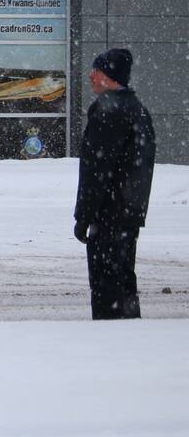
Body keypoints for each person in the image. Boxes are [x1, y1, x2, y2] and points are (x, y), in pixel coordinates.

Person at [74, 48, 156, 320]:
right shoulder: (137, 109)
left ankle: (110, 337)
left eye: (96, 70)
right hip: (128, 213)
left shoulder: (108, 111)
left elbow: (96, 170)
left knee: (106, 287)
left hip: (108, 213)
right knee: (124, 280)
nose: (90, 76)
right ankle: (129, 331)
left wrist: (84, 216)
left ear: (109, 76)